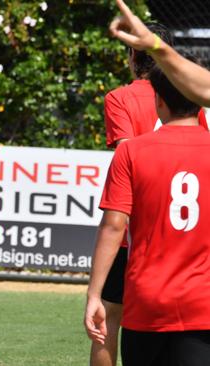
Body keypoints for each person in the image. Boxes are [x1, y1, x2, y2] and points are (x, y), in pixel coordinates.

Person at [85, 63, 210, 366]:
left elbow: (113, 226)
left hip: (147, 301)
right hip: (202, 302)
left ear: (159, 101)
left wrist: (93, 295)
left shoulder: (131, 152)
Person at [92, 22, 173, 366]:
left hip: (131, 226)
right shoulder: (186, 98)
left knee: (108, 315)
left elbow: (129, 156)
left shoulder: (119, 98)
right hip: (176, 225)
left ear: (132, 56)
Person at [110, 0, 210, 107]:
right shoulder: (185, 94)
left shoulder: (118, 98)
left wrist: (156, 46)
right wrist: (156, 46)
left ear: (133, 54)